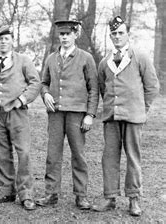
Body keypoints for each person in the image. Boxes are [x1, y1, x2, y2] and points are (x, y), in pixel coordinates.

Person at [91, 16, 159, 216]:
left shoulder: (140, 56)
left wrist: (141, 109)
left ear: (127, 34)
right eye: (114, 33)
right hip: (112, 117)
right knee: (109, 158)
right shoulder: (105, 62)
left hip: (133, 117)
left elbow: (152, 87)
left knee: (133, 157)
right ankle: (109, 197)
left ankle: (134, 199)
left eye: (121, 32)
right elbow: (103, 87)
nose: (117, 36)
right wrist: (112, 106)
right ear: (110, 36)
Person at [35, 20, 99, 210]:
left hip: (77, 114)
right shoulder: (51, 58)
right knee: (53, 154)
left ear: (75, 35)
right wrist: (45, 93)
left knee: (78, 154)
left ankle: (81, 195)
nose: (64, 38)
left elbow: (93, 89)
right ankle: (51, 193)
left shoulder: (86, 58)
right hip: (55, 113)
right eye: (61, 34)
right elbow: (43, 82)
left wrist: (90, 115)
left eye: (67, 34)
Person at [0, 25, 40, 210]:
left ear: (12, 40)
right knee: (2, 152)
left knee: (24, 153)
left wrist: (21, 100)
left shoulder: (23, 61)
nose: (3, 42)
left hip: (18, 113)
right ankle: (6, 191)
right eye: (0, 39)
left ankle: (26, 194)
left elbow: (35, 83)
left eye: (6, 38)